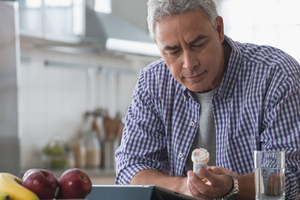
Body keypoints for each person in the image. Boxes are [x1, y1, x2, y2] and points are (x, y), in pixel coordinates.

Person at [115, 0, 300, 199]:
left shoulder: (277, 76)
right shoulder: (152, 83)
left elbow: (289, 176)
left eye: (198, 44)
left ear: (219, 29)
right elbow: (130, 169)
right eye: (173, 51)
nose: (189, 64)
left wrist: (232, 186)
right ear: (157, 45)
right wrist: (187, 186)